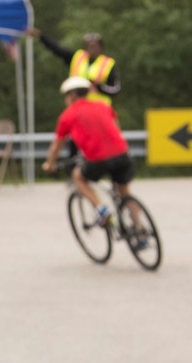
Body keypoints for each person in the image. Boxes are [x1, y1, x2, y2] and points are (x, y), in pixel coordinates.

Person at [43, 77, 136, 233]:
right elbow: (114, 127)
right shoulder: (103, 106)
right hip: (123, 155)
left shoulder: (68, 115)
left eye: (66, 96)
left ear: (72, 95)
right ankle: (140, 231)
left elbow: (57, 145)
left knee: (78, 176)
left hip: (97, 160)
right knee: (125, 193)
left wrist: (50, 163)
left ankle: (101, 210)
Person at [30, 29, 119, 109]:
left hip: (99, 108)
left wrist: (99, 87)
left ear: (101, 48)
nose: (92, 49)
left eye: (94, 46)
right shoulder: (77, 57)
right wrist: (42, 36)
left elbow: (115, 89)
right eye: (89, 46)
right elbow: (57, 49)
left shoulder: (107, 64)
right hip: (77, 106)